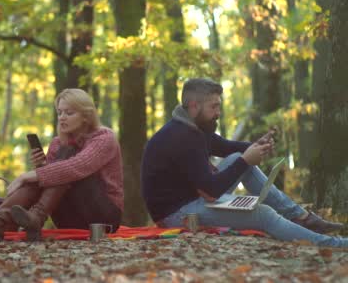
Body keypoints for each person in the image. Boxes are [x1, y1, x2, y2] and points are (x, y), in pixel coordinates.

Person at [141, 78, 347, 247]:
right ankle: (334, 245)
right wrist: (246, 160)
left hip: (192, 200)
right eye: (214, 107)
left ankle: (301, 218)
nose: (218, 112)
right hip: (177, 214)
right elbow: (212, 191)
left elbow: (225, 147)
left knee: (235, 159)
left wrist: (255, 146)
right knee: (262, 213)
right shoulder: (184, 136)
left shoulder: (194, 127)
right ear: (194, 107)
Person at [0, 88, 123, 240]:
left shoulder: (104, 138)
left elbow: (77, 167)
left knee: (62, 167)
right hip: (69, 218)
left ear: (86, 116)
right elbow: (49, 183)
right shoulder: (57, 143)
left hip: (103, 218)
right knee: (52, 171)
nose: (62, 117)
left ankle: (28, 217)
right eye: (60, 112)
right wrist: (42, 166)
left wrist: (27, 176)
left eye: (69, 113)